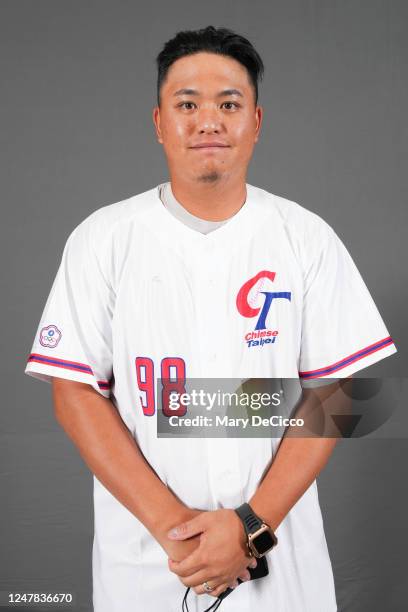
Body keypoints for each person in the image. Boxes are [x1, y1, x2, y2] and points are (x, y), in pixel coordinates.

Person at [24, 25, 397, 612]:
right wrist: (178, 528)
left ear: (256, 120)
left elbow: (351, 390)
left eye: (229, 103)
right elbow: (73, 392)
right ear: (158, 122)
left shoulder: (305, 238)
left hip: (282, 567)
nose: (209, 120)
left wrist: (250, 524)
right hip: (148, 563)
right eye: (187, 104)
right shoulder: (103, 239)